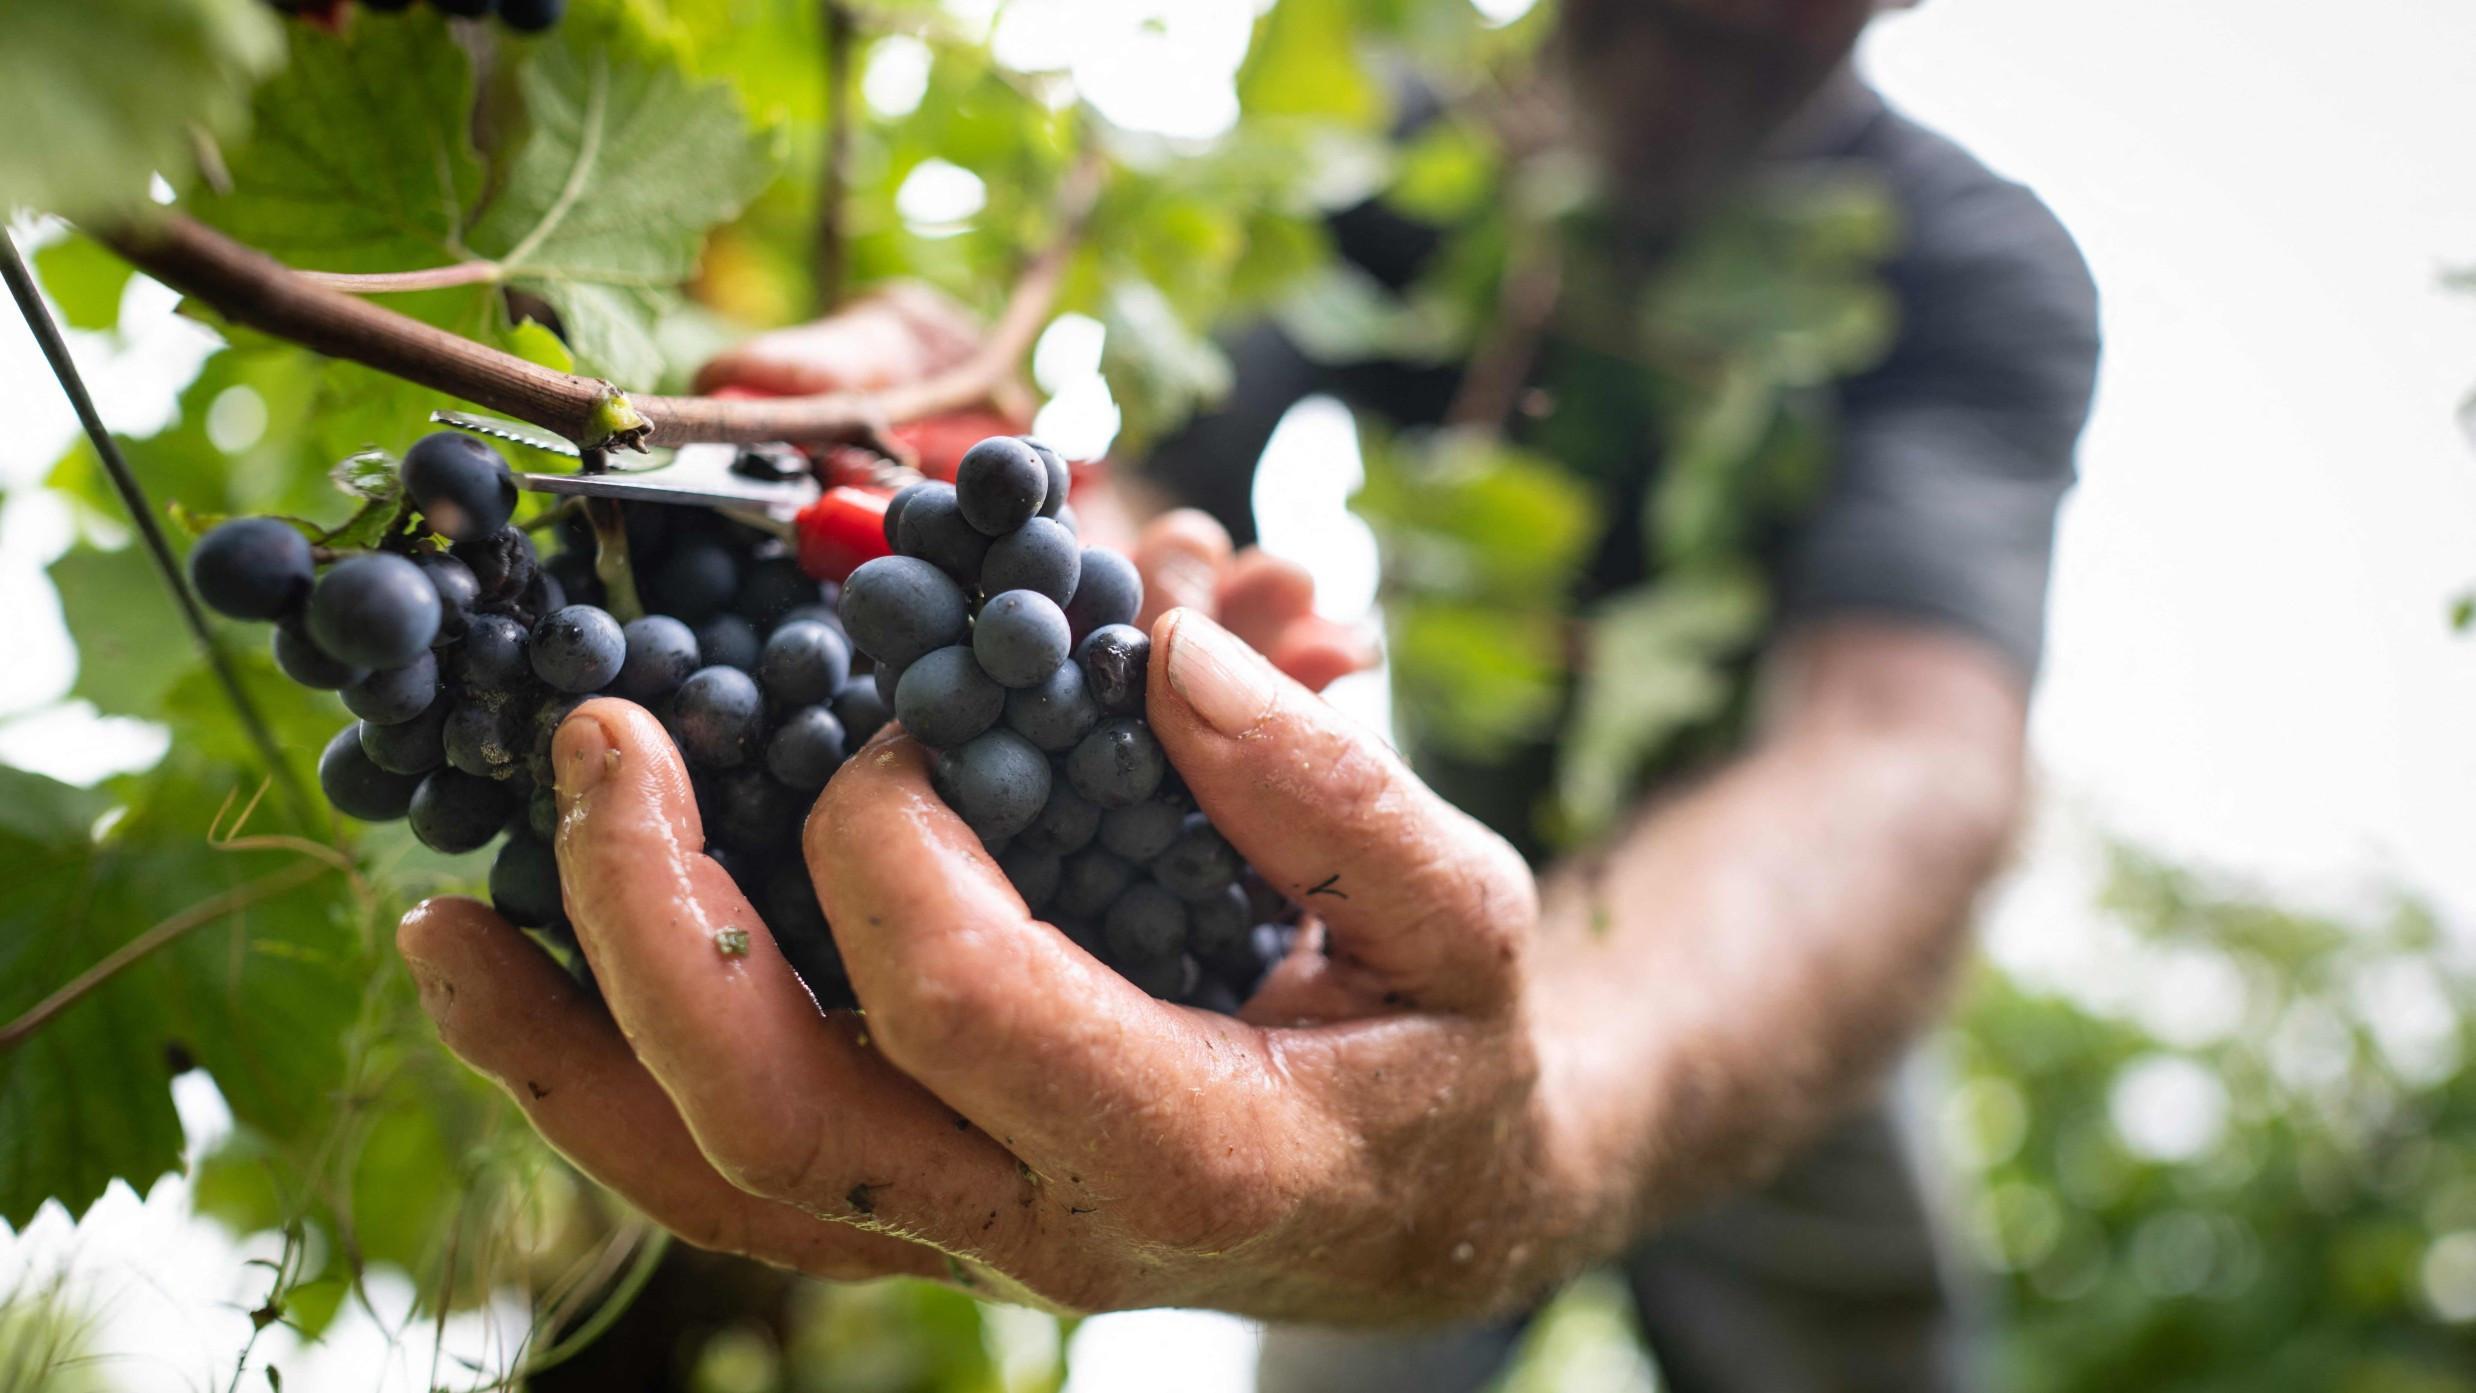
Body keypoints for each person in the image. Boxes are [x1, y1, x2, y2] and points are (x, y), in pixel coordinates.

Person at [392, 2, 2098, 1389]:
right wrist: (1009, 505)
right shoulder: (1415, 149)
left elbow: (1901, 751)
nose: (1691, 27)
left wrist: (1557, 1081)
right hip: (1376, 963)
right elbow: (1156, 489)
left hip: (1766, 972)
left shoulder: (1961, 265)